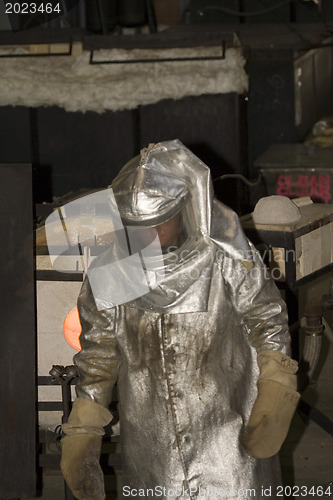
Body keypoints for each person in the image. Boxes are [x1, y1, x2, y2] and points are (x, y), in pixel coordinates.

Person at [60, 140, 300, 500]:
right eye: (137, 226)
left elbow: (266, 318)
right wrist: (84, 424)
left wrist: (276, 380)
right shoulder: (109, 273)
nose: (149, 237)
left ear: (186, 209)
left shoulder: (227, 258)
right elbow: (99, 354)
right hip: (153, 444)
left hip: (228, 435)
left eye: (159, 223)